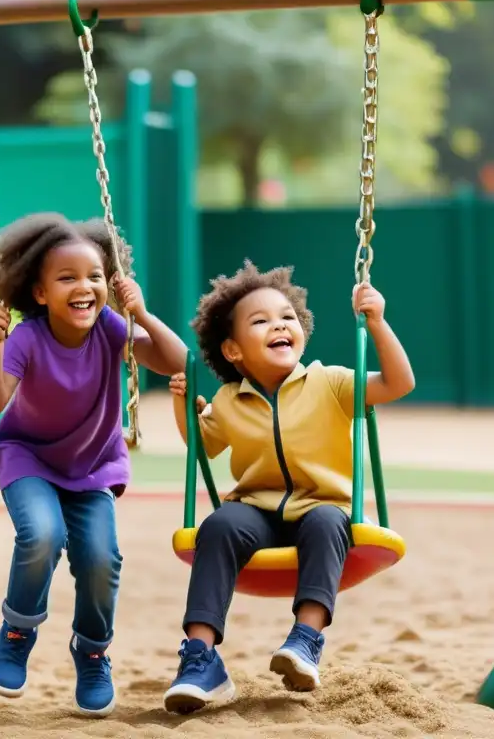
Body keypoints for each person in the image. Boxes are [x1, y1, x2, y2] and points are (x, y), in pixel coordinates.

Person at [161, 260, 415, 715]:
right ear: (234, 351)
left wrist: (376, 324)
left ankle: (305, 639)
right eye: (260, 321)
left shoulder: (331, 382)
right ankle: (200, 658)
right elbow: (200, 445)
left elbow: (400, 382)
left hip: (322, 506)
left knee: (325, 521)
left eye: (287, 318)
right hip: (256, 512)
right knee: (217, 526)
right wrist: (182, 405)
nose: (279, 325)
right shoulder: (229, 399)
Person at [0, 212, 188, 718]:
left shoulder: (111, 329)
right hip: (28, 457)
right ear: (41, 293)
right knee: (42, 535)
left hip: (92, 466)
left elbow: (178, 362)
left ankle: (92, 651)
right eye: (67, 277)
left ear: (109, 282)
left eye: (94, 276)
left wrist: (144, 315)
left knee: (100, 558)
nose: (84, 286)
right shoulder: (27, 338)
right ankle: (17, 632)